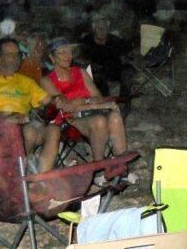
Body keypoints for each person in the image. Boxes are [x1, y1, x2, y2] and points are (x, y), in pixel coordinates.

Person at [39, 38, 129, 172]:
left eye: (69, 51)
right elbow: (66, 107)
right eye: (62, 53)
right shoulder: (46, 80)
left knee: (115, 117)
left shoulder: (80, 72)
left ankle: (122, 168)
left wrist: (83, 101)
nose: (67, 56)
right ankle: (100, 168)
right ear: (52, 58)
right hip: (69, 120)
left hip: (90, 112)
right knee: (99, 121)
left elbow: (98, 97)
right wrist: (89, 102)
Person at [0, 38, 51, 155]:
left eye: (18, 54)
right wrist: (4, 117)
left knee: (52, 131)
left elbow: (48, 101)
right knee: (28, 132)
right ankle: (23, 168)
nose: (16, 58)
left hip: (25, 124)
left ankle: (37, 169)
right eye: (10, 54)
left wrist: (60, 99)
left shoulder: (26, 82)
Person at [78, 15, 136, 103]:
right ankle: (105, 104)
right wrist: (89, 64)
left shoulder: (115, 40)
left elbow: (130, 51)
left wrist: (130, 56)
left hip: (113, 69)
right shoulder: (86, 41)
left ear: (108, 29)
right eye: (99, 28)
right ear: (94, 29)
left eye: (104, 28)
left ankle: (123, 101)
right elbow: (79, 57)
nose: (101, 31)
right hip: (97, 71)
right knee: (97, 75)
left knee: (128, 70)